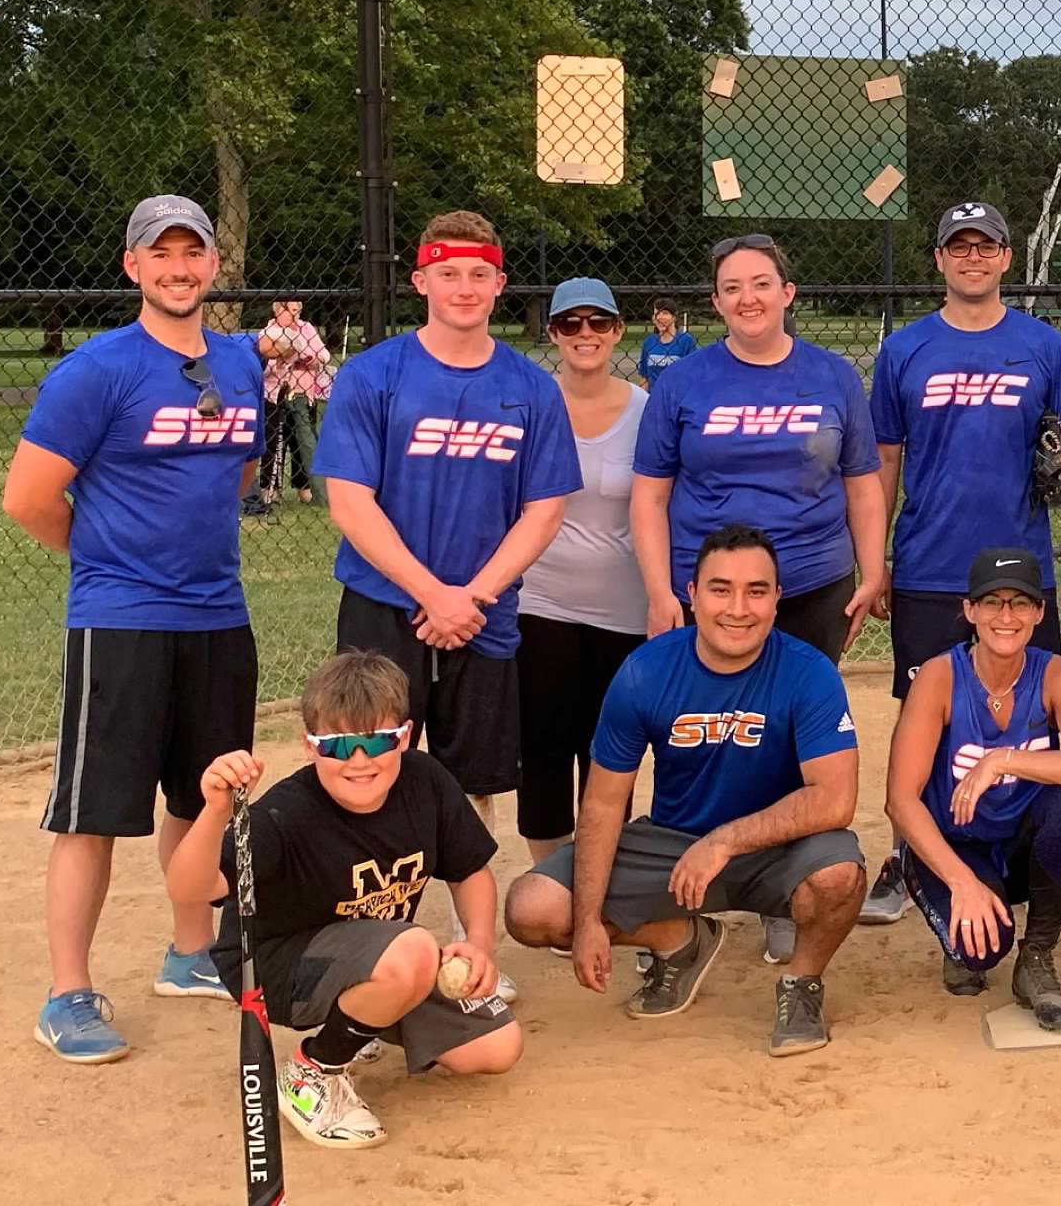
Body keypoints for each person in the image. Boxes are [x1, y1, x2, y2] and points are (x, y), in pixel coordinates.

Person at [2, 194, 266, 1062]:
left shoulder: (240, 364)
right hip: (120, 619)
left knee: (206, 797)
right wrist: (108, 557)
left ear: (213, 266)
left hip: (218, 614)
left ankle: (192, 952)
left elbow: (238, 473)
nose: (179, 268)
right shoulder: (97, 369)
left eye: (194, 253)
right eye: (162, 255)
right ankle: (66, 994)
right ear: (133, 267)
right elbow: (29, 498)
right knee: (92, 812)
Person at [313, 210, 580, 1001]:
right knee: (364, 768)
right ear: (420, 280)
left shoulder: (528, 388)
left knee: (469, 787)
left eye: (479, 273)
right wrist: (432, 593)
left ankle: (472, 957)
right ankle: (363, 949)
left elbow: (543, 510)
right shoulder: (376, 375)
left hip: (484, 613)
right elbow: (349, 500)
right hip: (384, 608)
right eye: (447, 271)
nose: (464, 287)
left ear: (500, 283)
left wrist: (474, 595)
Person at [503, 525, 867, 1057]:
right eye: (720, 589)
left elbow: (834, 800)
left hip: (777, 849)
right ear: (691, 595)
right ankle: (678, 940)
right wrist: (586, 922)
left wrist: (723, 842)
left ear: (777, 599)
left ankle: (802, 984)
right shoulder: (645, 672)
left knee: (839, 877)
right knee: (534, 909)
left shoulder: (808, 672)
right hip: (675, 845)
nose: (738, 608)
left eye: (756, 591)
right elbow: (604, 802)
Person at [166, 651, 521, 1150]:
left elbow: (470, 873)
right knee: (414, 950)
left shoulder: (427, 782)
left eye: (376, 740)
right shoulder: (285, 815)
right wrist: (215, 811)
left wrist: (480, 944)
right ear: (309, 748)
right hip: (278, 964)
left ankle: (366, 1016)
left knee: (495, 1048)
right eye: (338, 745)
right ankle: (315, 1070)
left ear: (404, 735)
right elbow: (189, 890)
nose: (359, 760)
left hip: (372, 954)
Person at [860, 200, 1061, 926]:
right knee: (922, 723)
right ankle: (910, 859)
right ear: (938, 260)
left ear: (1005, 258)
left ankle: (1022, 854)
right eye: (956, 246)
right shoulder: (905, 350)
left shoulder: (1042, 346)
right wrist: (877, 560)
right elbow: (884, 459)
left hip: (1021, 570)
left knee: (1033, 721)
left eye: (984, 246)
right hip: (930, 563)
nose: (971, 258)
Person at [631, 234, 886, 664]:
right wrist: (659, 593)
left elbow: (862, 486)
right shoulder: (681, 382)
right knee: (711, 721)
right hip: (710, 588)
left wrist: (873, 574)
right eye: (732, 288)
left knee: (800, 722)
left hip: (813, 581)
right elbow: (649, 497)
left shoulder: (835, 377)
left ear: (787, 293)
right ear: (716, 302)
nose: (747, 298)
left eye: (761, 284)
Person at [885, 547, 1061, 1028]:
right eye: (992, 602)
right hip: (954, 847)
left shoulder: (1054, 673)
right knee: (980, 953)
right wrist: (961, 882)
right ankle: (963, 921)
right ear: (970, 610)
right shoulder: (939, 677)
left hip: (1018, 843)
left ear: (1039, 613)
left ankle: (1037, 957)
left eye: (1020, 603)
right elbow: (900, 801)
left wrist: (1003, 759)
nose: (1005, 616)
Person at [514, 276, 650, 864]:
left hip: (623, 608)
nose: (585, 334)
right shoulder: (530, 403)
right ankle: (550, 881)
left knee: (607, 752)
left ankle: (600, 876)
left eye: (598, 322)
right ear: (553, 333)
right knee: (542, 747)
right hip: (539, 602)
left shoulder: (646, 410)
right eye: (570, 323)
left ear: (618, 331)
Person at [244, 297, 331, 517]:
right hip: (275, 394)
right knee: (274, 442)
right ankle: (269, 489)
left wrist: (314, 361)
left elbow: (323, 354)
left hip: (303, 392)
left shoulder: (306, 329)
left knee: (302, 443)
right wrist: (284, 358)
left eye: (298, 311)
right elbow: (264, 367)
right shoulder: (269, 332)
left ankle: (305, 487)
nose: (296, 316)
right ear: (278, 311)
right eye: (291, 311)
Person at [638, 296, 697, 387]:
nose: (660, 317)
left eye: (665, 313)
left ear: (674, 317)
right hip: (655, 397)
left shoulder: (686, 341)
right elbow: (645, 378)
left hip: (678, 396)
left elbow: (693, 375)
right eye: (657, 313)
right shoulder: (649, 342)